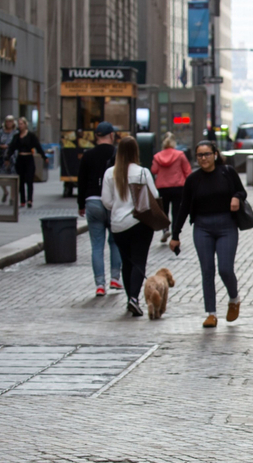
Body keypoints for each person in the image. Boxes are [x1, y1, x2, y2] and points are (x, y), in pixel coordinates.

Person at [169, 141, 246, 329]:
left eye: (207, 154)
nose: (204, 158)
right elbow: (184, 207)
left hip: (226, 225)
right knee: (207, 270)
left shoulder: (227, 172)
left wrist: (236, 197)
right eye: (200, 155)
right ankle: (211, 313)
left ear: (215, 154)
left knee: (225, 269)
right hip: (202, 227)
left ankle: (234, 298)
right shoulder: (193, 180)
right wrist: (175, 234)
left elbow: (241, 190)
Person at [101, 136, 158, 317]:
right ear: (136, 151)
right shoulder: (142, 172)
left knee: (126, 262)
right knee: (139, 261)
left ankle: (130, 298)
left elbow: (107, 202)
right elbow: (154, 195)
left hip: (118, 225)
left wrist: (118, 207)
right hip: (140, 222)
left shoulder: (110, 173)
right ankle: (134, 298)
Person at [77, 121, 122, 297]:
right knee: (114, 241)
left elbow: (81, 181)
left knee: (97, 245)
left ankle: (100, 284)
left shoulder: (88, 155)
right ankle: (115, 278)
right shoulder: (116, 153)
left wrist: (81, 204)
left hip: (93, 201)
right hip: (113, 202)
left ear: (96, 136)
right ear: (111, 135)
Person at [152, 132, 193, 243]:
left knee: (164, 210)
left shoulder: (157, 156)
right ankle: (175, 232)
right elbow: (187, 170)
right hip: (178, 186)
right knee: (176, 211)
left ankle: (165, 230)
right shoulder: (180, 155)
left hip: (162, 187)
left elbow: (154, 170)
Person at [6, 116, 47, 208]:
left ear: (25, 125)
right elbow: (12, 148)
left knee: (29, 180)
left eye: (21, 124)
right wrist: (7, 158)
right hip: (20, 159)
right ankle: (22, 201)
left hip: (29, 159)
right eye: (19, 124)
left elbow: (38, 146)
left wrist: (44, 157)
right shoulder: (16, 137)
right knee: (21, 181)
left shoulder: (31, 136)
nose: (20, 126)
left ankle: (30, 200)